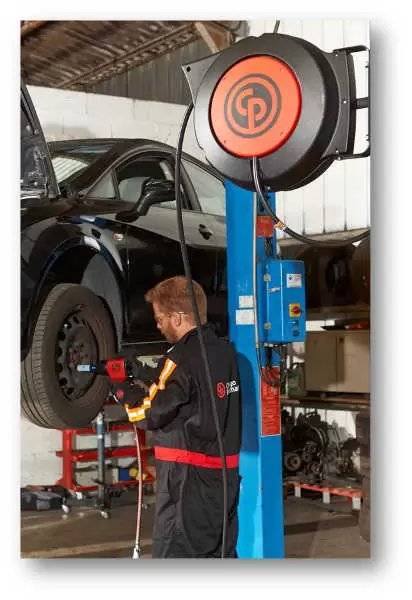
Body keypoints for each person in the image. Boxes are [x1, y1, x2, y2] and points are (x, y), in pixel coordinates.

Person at [114, 275, 242, 559]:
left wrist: (122, 391)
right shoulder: (225, 353)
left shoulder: (180, 359)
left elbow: (148, 413)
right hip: (224, 483)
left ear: (178, 318)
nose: (158, 326)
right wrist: (147, 373)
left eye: (160, 319)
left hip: (186, 489)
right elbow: (194, 392)